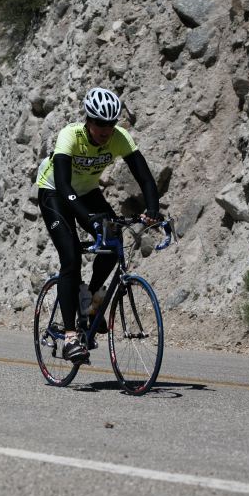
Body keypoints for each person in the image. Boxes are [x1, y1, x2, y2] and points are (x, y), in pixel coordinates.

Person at [35, 87, 160, 362]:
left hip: (87, 191)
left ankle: (89, 301)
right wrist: (86, 217)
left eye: (111, 124)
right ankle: (69, 338)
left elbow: (146, 179)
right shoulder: (71, 135)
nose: (106, 130)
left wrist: (153, 209)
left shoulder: (119, 138)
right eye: (100, 124)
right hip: (55, 191)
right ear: (88, 120)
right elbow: (65, 186)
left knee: (113, 240)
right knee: (71, 257)